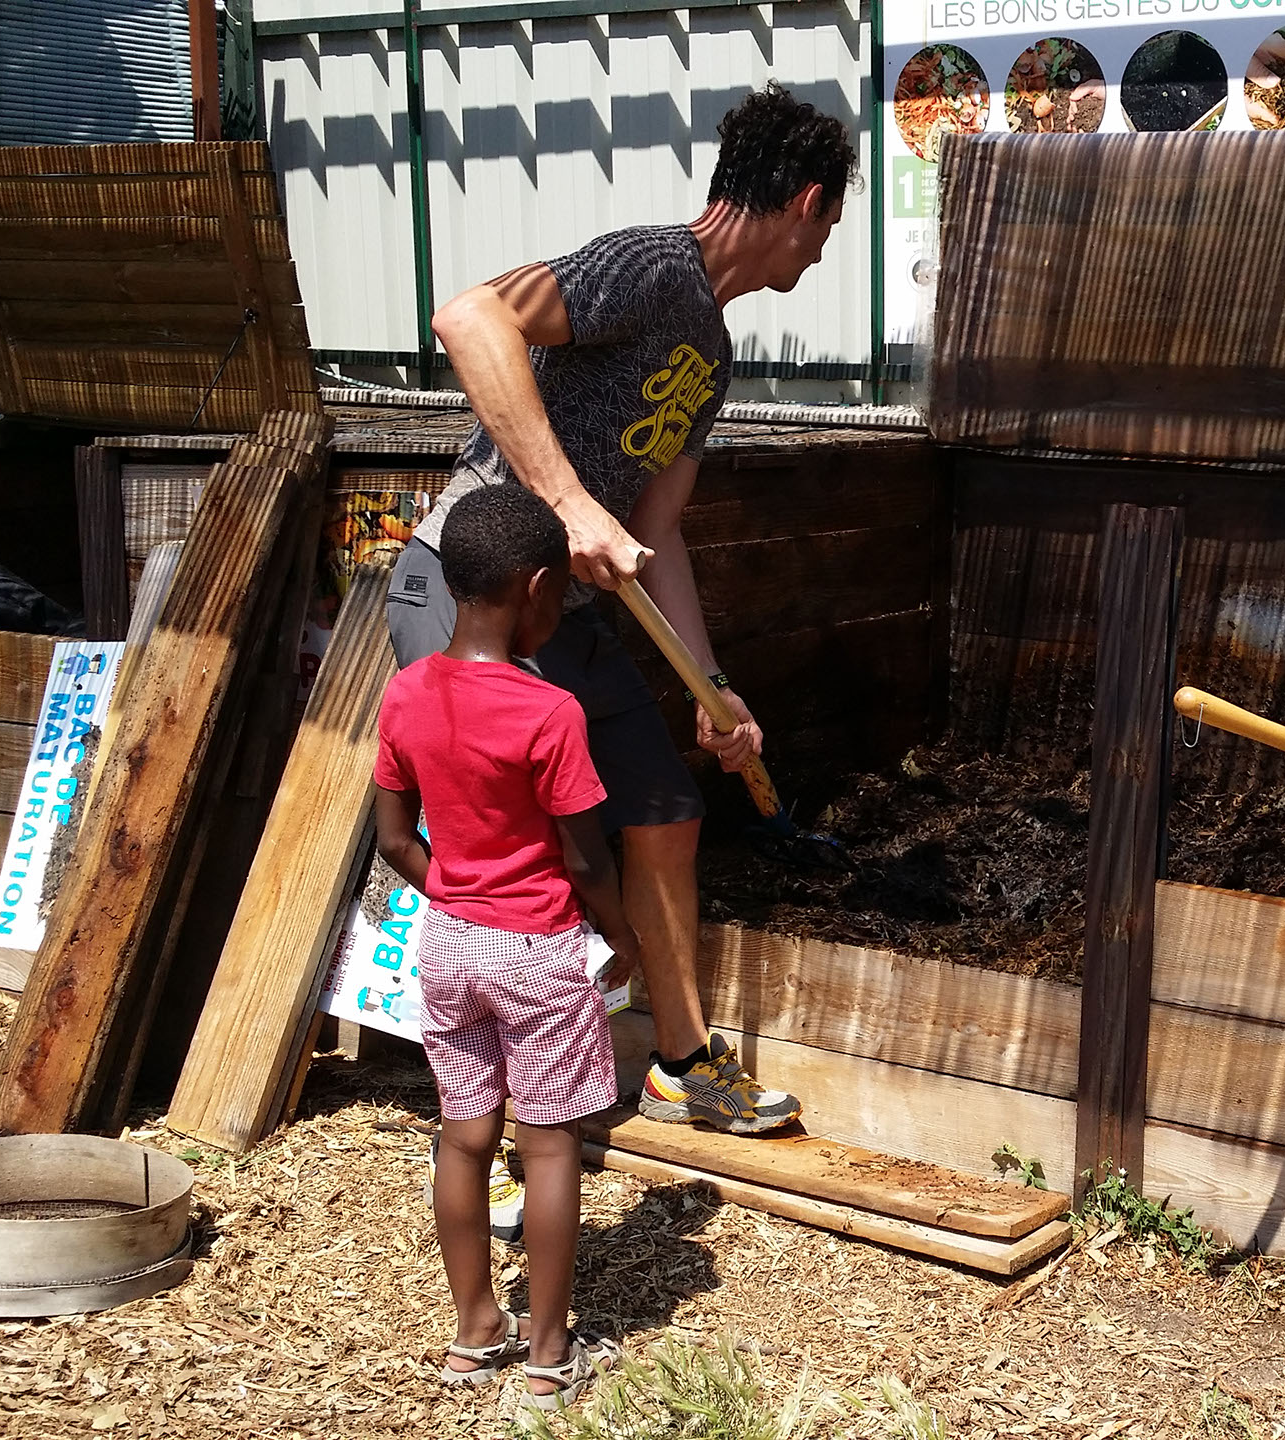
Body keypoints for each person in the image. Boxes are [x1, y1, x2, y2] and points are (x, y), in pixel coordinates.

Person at [389, 82, 856, 1135]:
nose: (824, 252)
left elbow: (660, 528)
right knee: (515, 853)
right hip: (469, 595)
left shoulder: (714, 353)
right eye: (828, 227)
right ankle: (504, 1122)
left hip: (571, 616)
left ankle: (680, 1063)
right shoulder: (650, 265)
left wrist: (712, 686)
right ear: (805, 203)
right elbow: (469, 317)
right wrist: (565, 503)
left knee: (665, 812)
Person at [373, 483, 644, 1408]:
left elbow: (394, 841)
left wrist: (457, 893)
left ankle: (475, 1330)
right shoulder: (549, 711)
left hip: (448, 943)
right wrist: (620, 934)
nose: (562, 606)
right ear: (534, 587)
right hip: (536, 950)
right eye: (562, 590)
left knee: (464, 1137)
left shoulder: (406, 693)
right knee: (550, 1147)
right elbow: (585, 855)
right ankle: (549, 1352)